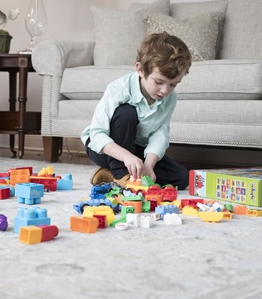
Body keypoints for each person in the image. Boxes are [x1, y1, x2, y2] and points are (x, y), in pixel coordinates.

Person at [82, 32, 192, 190]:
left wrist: (148, 165)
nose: (164, 91)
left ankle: (110, 174)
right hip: (105, 149)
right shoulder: (118, 89)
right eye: (159, 82)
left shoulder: (170, 98)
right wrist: (126, 157)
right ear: (140, 70)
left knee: (181, 178)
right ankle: (120, 173)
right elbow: (97, 134)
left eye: (173, 84)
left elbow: (160, 134)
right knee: (126, 112)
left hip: (135, 151)